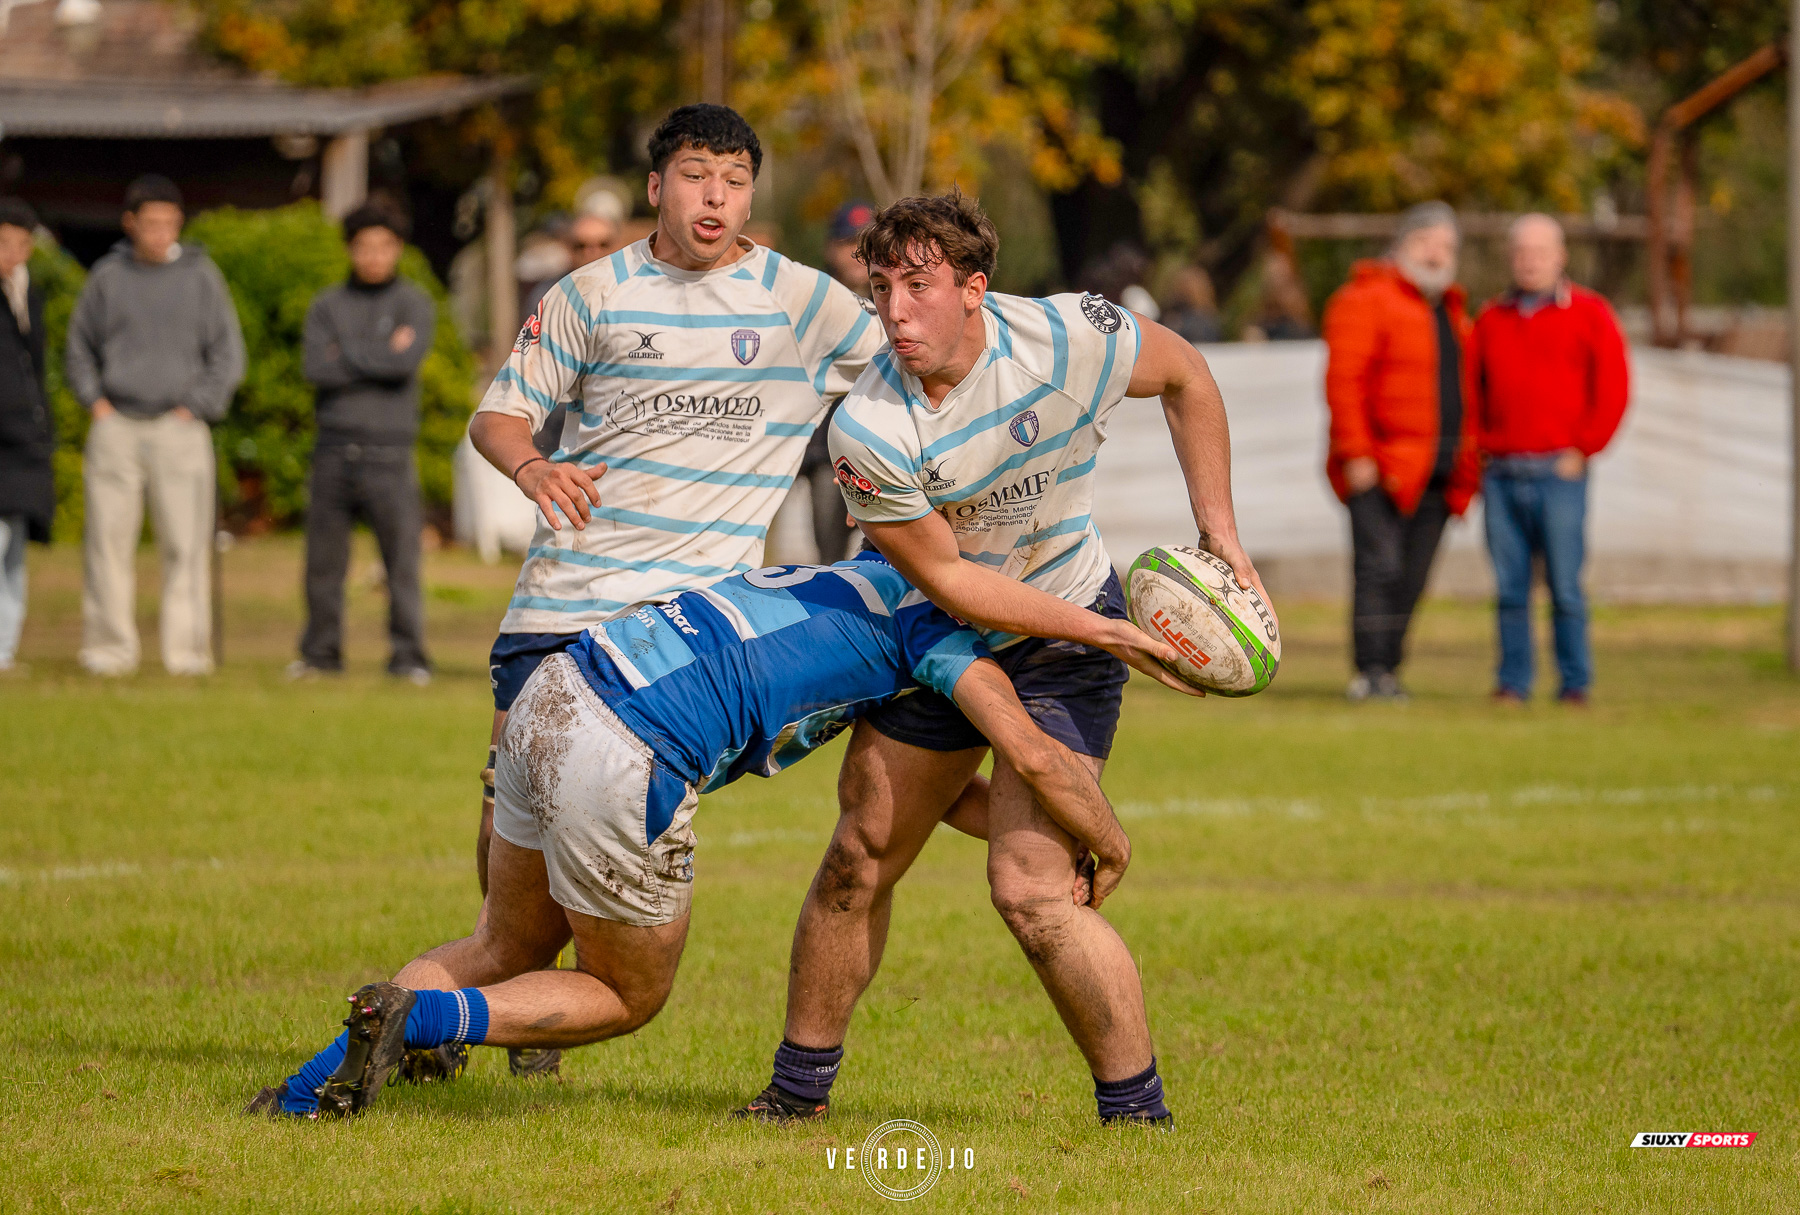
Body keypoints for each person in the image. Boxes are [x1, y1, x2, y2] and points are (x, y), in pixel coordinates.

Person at [244, 551, 1137, 1119]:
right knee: (626, 995)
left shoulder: (852, 572)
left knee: (506, 939)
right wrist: (1111, 839)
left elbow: (932, 797)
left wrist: (1022, 830)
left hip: (556, 691)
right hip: (630, 751)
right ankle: (429, 1016)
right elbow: (1035, 754)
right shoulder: (940, 633)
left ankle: (301, 1089)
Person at [736, 189, 1265, 1128]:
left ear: (976, 287)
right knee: (859, 854)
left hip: (1066, 615)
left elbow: (1187, 375)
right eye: (881, 287)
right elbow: (952, 585)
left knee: (1030, 890)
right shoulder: (868, 429)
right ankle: (796, 1093)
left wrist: (1220, 536)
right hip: (944, 628)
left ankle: (1138, 1120)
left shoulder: (1072, 337)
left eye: (921, 286)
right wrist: (1110, 633)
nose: (895, 311)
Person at [466, 105, 884, 1077]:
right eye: (697, 176)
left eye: (734, 182)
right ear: (657, 187)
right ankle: (508, 1004)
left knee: (607, 822)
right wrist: (532, 469)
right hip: (559, 602)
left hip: (682, 629)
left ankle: (514, 1015)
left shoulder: (801, 301)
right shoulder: (592, 293)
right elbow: (499, 416)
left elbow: (912, 376)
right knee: (505, 835)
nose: (716, 198)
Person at [65, 175, 245, 677]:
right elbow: (78, 347)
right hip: (115, 423)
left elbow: (228, 354)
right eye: (151, 222)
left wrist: (198, 405)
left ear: (179, 223)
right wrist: (95, 403)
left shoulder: (202, 275)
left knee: (186, 546)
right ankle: (108, 651)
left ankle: (186, 655)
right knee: (106, 543)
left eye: (169, 222)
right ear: (131, 223)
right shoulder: (106, 276)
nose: (160, 231)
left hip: (181, 427)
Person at [1321, 200, 1479, 702]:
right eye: (1427, 241)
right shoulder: (1364, 298)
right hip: (1380, 466)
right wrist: (1357, 455)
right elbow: (1344, 382)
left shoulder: (1452, 311)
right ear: (1402, 245)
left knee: (1411, 577)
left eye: (1447, 245)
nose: (1437, 253)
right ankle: (1369, 670)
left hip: (1438, 470)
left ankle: (1390, 670)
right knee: (1379, 570)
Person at [1470, 213, 1629, 706]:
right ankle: (1513, 682)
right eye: (1521, 252)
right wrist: (1479, 452)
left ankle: (1574, 682)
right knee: (1511, 589)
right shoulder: (1491, 319)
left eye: (1539, 252)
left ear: (1560, 257)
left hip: (1560, 474)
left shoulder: (1590, 313)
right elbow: (1470, 393)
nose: (1530, 261)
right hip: (1502, 472)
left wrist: (1585, 449)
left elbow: (1614, 390)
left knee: (1565, 586)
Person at [290, 202, 437, 683]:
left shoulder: (414, 302)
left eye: (383, 246)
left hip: (390, 452)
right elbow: (315, 368)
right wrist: (378, 353)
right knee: (323, 565)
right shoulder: (326, 304)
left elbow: (403, 366)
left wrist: (346, 355)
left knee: (401, 565)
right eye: (364, 246)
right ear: (350, 250)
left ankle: (409, 657)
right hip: (332, 449)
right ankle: (320, 655)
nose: (373, 256)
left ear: (396, 250)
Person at [797, 200, 877, 565]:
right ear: (831, 247)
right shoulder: (811, 304)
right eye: (849, 241)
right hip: (826, 456)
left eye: (867, 242)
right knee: (827, 564)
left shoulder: (904, 302)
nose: (858, 253)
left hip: (885, 452)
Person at [0, 198, 52, 672]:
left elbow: (35, 373)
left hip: (26, 449)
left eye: (21, 244)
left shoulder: (27, 296)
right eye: (3, 243)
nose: (12, 253)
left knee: (15, 552)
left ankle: (5, 650)